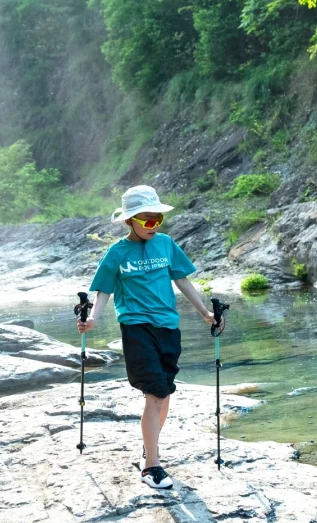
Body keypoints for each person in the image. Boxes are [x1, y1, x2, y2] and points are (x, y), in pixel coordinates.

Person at [76, 183, 223, 492]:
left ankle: (149, 447)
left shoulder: (166, 244)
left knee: (165, 391)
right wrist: (93, 320)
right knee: (155, 391)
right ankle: (150, 467)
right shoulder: (117, 252)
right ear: (131, 221)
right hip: (136, 326)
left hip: (168, 326)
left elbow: (182, 280)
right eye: (147, 220)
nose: (154, 225)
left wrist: (205, 314)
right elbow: (104, 290)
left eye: (158, 219)